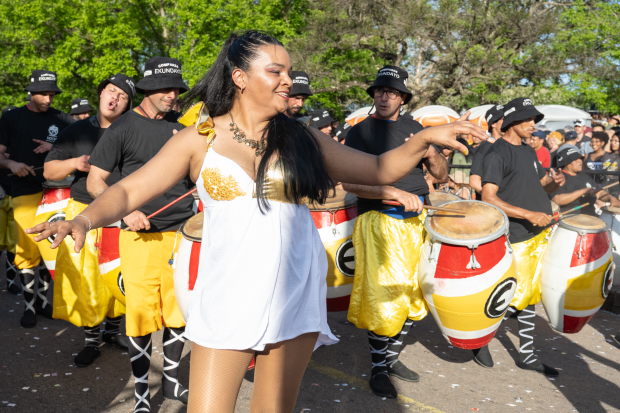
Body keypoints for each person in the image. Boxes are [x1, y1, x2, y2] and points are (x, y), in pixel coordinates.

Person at [26, 31, 486, 413]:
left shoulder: (301, 136)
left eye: (288, 71)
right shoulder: (199, 138)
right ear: (240, 77)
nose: (289, 81)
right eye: (276, 71)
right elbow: (129, 189)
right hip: (229, 290)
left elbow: (377, 171)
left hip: (293, 288)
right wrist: (86, 218)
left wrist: (424, 137)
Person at [79, 57, 193, 410]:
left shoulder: (183, 129)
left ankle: (173, 382)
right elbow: (95, 180)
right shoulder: (123, 127)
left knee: (178, 313)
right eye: (166, 88)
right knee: (142, 315)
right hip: (139, 237)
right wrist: (127, 210)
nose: (172, 94)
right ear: (147, 88)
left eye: (176, 88)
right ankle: (142, 390)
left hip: (182, 233)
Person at [342, 64, 449, 399]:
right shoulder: (359, 133)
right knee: (384, 297)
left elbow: (442, 174)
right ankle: (378, 367)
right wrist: (392, 193)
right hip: (379, 221)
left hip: (418, 221)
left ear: (403, 97)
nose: (383, 96)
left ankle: (390, 358)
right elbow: (349, 182)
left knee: (416, 293)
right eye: (379, 90)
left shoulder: (416, 129)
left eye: (391, 91)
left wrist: (430, 150)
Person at [43, 74, 136, 367]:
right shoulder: (77, 130)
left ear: (128, 104)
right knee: (87, 281)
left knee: (117, 276)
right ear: (100, 93)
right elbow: (49, 171)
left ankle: (112, 331)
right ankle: (91, 341)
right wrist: (74, 163)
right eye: (111, 91)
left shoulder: (133, 130)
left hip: (121, 211)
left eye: (122, 96)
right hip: (83, 212)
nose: (114, 99)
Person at [480, 97, 564, 376]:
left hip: (538, 234)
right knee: (508, 296)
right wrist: (529, 215)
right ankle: (479, 339)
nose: (533, 125)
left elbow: (539, 184)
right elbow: (489, 197)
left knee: (529, 296)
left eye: (534, 120)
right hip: (515, 236)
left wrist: (553, 182)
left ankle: (526, 354)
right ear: (511, 122)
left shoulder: (529, 152)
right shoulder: (496, 153)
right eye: (528, 120)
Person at [0, 70, 74, 328]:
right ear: (31, 92)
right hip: (23, 191)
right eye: (44, 93)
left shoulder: (63, 119)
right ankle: (29, 306)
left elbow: (83, 148)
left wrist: (54, 149)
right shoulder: (11, 117)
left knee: (50, 248)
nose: (48, 99)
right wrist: (11, 163)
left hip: (57, 192)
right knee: (27, 251)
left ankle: (42, 302)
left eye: (52, 94)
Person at [551, 147, 620, 216]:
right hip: (570, 217)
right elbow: (557, 199)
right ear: (566, 163)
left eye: (580, 158)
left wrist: (611, 198)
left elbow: (599, 192)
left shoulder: (585, 176)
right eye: (575, 160)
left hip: (591, 217)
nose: (580, 161)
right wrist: (583, 191)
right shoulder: (559, 177)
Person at [0, 106, 18, 294]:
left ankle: (11, 281)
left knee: (13, 243)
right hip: (1, 194)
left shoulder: (21, 140)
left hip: (17, 196)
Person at [469, 104, 504, 194]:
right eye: (504, 119)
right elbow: (474, 182)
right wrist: (493, 197)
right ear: (493, 124)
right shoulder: (485, 147)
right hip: (493, 206)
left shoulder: (507, 146)